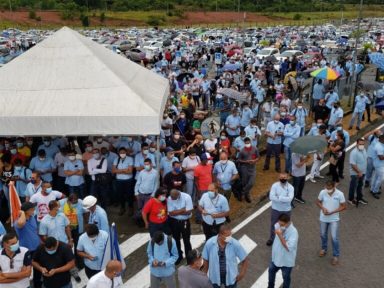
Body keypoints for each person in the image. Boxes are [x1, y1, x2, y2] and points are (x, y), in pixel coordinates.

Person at [316, 181, 346, 265]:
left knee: (334, 238)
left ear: (334, 187)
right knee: (322, 234)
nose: (327, 189)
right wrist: (323, 208)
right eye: (326, 187)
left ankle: (335, 256)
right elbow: (318, 202)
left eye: (329, 188)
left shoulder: (340, 194)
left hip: (334, 219)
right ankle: (324, 249)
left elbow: (344, 206)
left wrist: (333, 212)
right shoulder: (322, 192)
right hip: (323, 218)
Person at [14, 202, 42, 288]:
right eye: (32, 209)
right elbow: (21, 223)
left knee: (38, 269)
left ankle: (38, 285)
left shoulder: (32, 218)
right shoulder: (18, 222)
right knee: (26, 270)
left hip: (37, 248)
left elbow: (35, 231)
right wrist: (22, 213)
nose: (34, 210)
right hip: (26, 250)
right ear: (26, 211)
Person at [268, 214, 298, 288]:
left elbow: (288, 247)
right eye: (279, 223)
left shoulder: (294, 232)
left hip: (286, 261)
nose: (280, 226)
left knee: (286, 278)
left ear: (288, 223)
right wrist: (279, 230)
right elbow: (276, 228)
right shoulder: (279, 225)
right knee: (271, 273)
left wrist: (280, 235)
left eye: (282, 225)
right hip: (275, 258)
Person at [267, 173, 294, 246]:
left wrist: (279, 197)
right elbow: (271, 197)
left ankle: (284, 238)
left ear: (287, 178)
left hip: (286, 210)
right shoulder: (275, 185)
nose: (283, 179)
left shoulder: (291, 187)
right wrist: (284, 199)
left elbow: (290, 199)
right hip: (275, 209)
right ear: (279, 177)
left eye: (284, 177)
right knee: (273, 224)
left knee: (285, 225)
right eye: (281, 177)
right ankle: (272, 239)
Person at [167, 189, 193, 265]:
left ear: (178, 195)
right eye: (171, 197)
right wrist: (182, 210)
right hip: (174, 222)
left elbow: (188, 212)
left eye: (173, 198)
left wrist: (176, 212)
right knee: (175, 240)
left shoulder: (187, 197)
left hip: (184, 221)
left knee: (186, 240)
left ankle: (189, 258)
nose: (171, 199)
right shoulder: (169, 198)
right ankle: (179, 256)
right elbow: (171, 213)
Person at [112, 147, 134, 216]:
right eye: (121, 152)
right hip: (119, 180)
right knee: (120, 195)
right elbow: (113, 170)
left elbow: (130, 171)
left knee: (129, 195)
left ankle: (130, 208)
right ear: (118, 153)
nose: (122, 154)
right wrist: (124, 170)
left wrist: (118, 171)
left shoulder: (130, 159)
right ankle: (122, 208)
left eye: (123, 152)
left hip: (128, 180)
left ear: (126, 152)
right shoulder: (116, 159)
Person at [237, 137, 259, 203]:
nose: (247, 144)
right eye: (246, 143)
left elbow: (258, 157)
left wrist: (254, 160)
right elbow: (239, 160)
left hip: (252, 168)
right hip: (244, 168)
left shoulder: (255, 149)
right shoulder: (242, 150)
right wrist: (246, 162)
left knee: (251, 183)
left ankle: (243, 192)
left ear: (250, 142)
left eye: (248, 142)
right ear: (244, 143)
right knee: (245, 182)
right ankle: (247, 195)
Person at [348, 138, 368, 205]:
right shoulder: (354, 152)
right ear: (356, 144)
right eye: (360, 144)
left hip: (363, 172)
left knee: (360, 185)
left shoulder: (364, 150)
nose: (362, 145)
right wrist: (359, 172)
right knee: (353, 186)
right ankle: (350, 199)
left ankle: (359, 198)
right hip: (355, 173)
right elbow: (353, 164)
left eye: (363, 144)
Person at [370, 134, 384, 199]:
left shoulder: (381, 144)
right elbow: (381, 157)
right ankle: (375, 191)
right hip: (379, 165)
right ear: (382, 139)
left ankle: (372, 189)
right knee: (381, 178)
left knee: (376, 177)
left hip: (378, 164)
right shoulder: (379, 147)